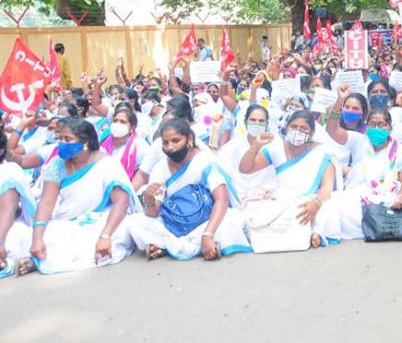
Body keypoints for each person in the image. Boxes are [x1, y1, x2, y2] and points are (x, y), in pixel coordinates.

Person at [14, 118, 138, 275]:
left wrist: (105, 235)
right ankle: (39, 258)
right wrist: (37, 238)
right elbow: (46, 203)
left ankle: (40, 261)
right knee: (32, 238)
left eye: (68, 139)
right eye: (61, 139)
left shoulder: (106, 164)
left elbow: (121, 201)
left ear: (85, 142)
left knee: (102, 239)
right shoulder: (57, 165)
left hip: (102, 218)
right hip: (68, 219)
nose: (62, 143)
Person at [126, 118, 251, 260]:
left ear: (189, 139)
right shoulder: (160, 168)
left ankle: (170, 246)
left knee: (233, 218)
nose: (170, 147)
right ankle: (198, 246)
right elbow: (154, 213)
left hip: (206, 222)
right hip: (176, 225)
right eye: (165, 143)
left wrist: (207, 234)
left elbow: (221, 200)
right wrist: (148, 198)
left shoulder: (205, 162)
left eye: (175, 140)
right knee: (134, 222)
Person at [238, 110, 339, 247]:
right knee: (251, 212)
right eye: (294, 127)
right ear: (287, 128)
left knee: (328, 207)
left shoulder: (321, 153)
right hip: (280, 201)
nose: (297, 131)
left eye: (303, 128)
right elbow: (245, 169)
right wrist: (256, 146)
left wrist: (315, 204)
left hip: (307, 202)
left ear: (311, 134)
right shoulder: (276, 148)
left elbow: (327, 188)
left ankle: (315, 234)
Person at [331, 108, 402, 240]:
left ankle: (373, 225)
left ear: (389, 127)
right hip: (359, 193)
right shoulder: (359, 142)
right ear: (366, 126)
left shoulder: (399, 149)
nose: (377, 128)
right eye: (373, 124)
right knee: (338, 206)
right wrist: (339, 102)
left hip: (390, 193)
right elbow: (332, 130)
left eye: (381, 124)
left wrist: (400, 197)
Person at [216, 104, 278, 200]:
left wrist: (275, 191)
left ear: (267, 124)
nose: (257, 124)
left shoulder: (275, 144)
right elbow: (221, 170)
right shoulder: (233, 145)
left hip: (268, 196)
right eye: (253, 120)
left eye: (261, 121)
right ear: (245, 122)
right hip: (239, 196)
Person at [0, 130, 36, 276]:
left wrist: (0, 241)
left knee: (12, 245)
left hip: (7, 229)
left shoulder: (8, 171)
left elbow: (8, 210)